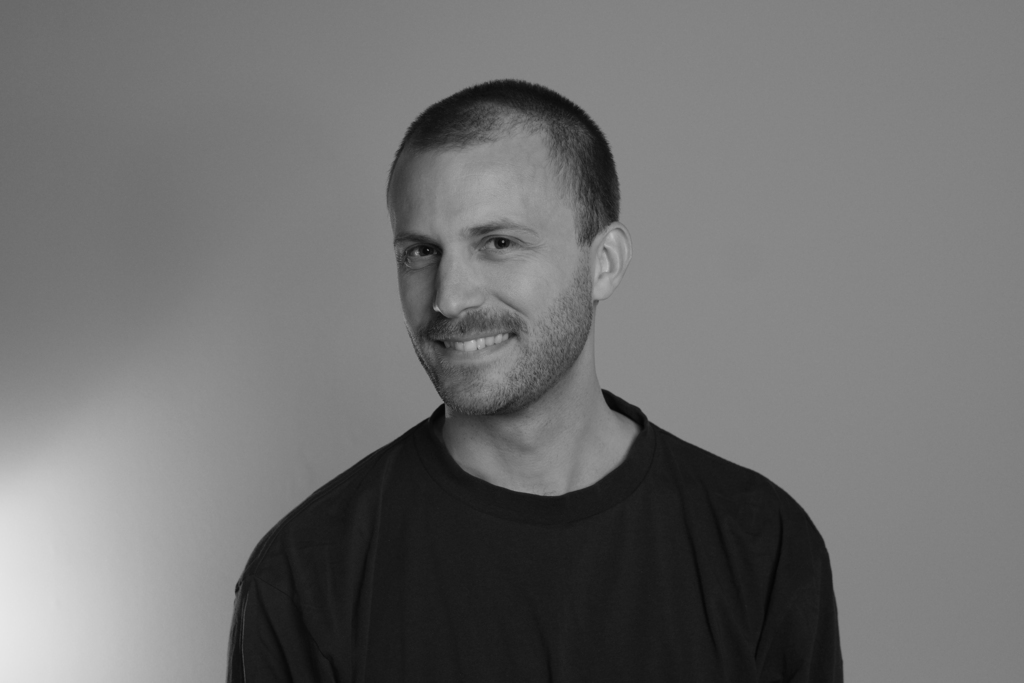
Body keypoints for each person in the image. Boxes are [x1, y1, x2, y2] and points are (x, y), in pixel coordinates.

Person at [227, 79, 842, 682]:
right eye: (420, 252)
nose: (449, 298)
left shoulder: (761, 543)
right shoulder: (304, 578)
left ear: (603, 264)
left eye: (498, 242)